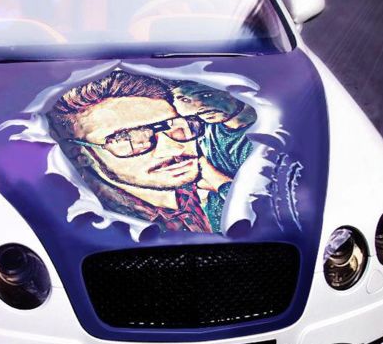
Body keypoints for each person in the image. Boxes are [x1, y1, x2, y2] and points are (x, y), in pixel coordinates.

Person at [46, 70, 230, 233]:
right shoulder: (99, 224)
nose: (173, 148)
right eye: (128, 139)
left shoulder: (203, 192)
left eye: (176, 127)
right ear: (79, 154)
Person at [171, 81, 257, 230]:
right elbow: (186, 174)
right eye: (185, 99)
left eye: (206, 95)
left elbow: (255, 204)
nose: (199, 106)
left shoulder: (267, 137)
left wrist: (210, 173)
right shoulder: (204, 127)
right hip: (215, 226)